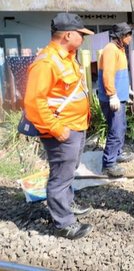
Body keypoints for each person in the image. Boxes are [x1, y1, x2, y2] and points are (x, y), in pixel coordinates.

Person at [23, 13, 94, 239]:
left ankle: (67, 203)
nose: (83, 38)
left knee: (68, 170)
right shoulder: (46, 62)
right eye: (81, 34)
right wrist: (56, 129)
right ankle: (63, 222)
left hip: (75, 126)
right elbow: (34, 103)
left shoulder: (66, 57)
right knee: (60, 176)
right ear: (68, 35)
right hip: (61, 131)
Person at [98, 22, 134, 178]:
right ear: (121, 36)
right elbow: (107, 74)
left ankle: (117, 153)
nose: (130, 39)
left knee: (121, 127)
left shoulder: (119, 49)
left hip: (119, 97)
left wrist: (126, 89)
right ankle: (109, 164)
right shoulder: (110, 50)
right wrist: (112, 94)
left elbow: (119, 73)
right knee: (116, 130)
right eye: (129, 36)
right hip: (111, 99)